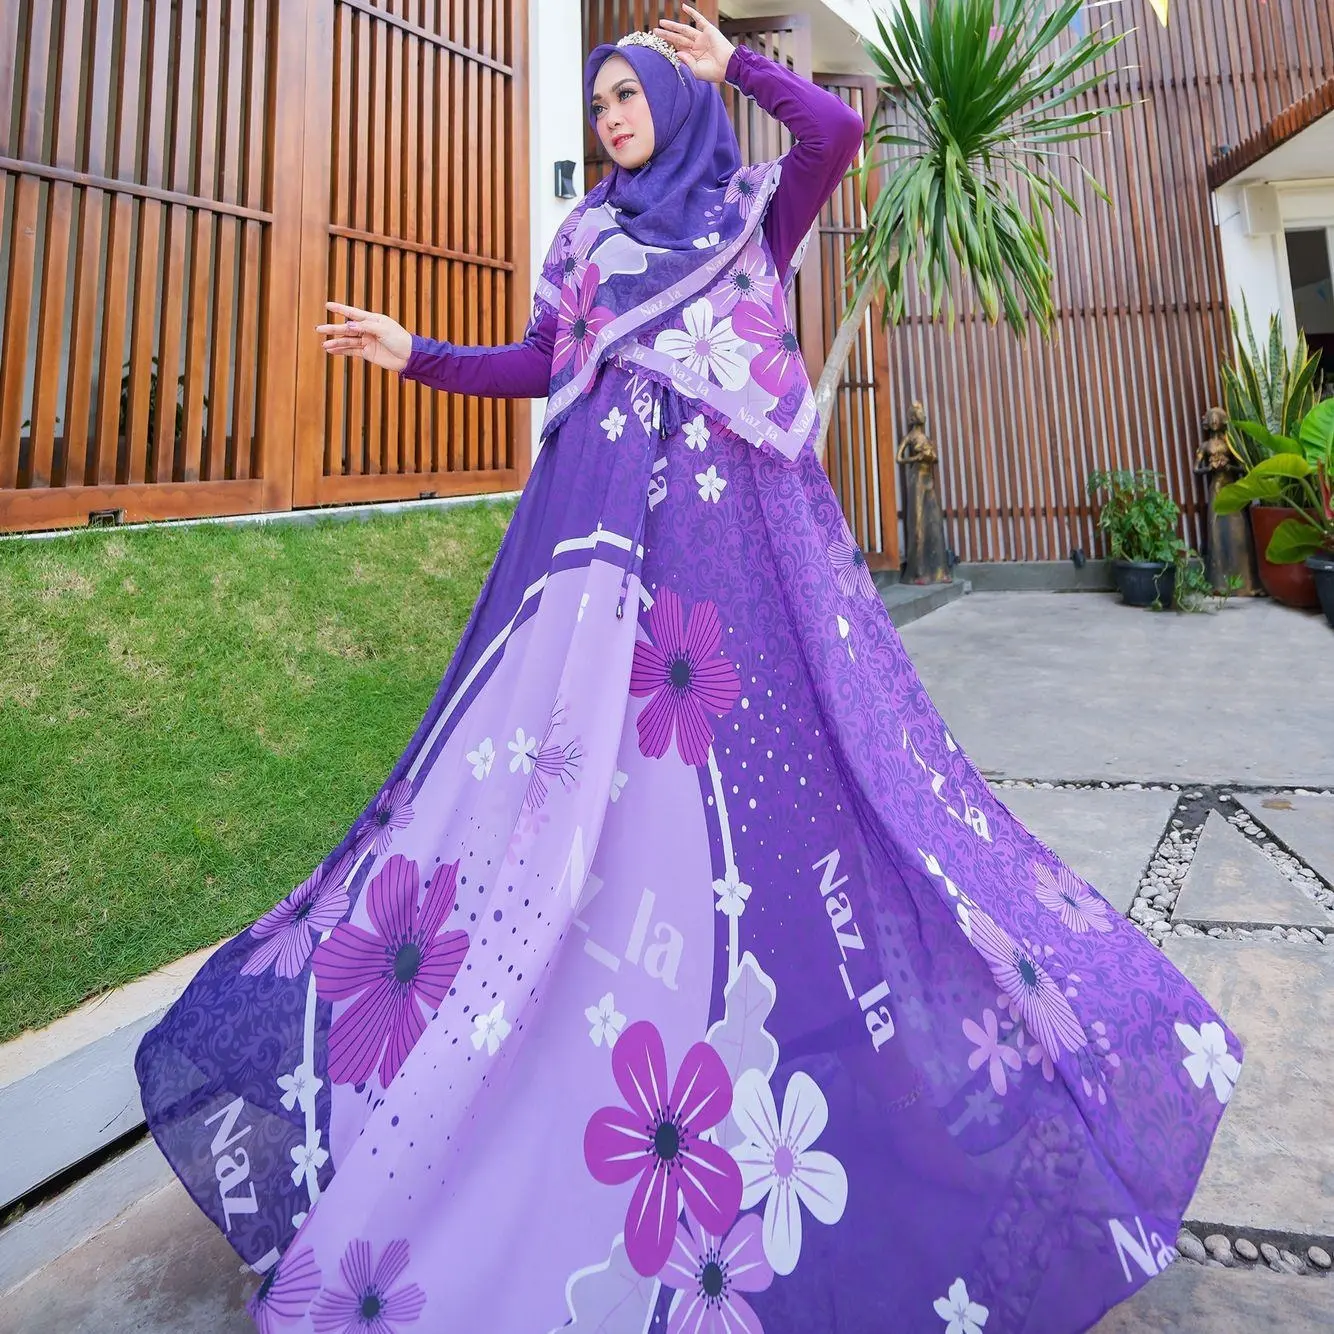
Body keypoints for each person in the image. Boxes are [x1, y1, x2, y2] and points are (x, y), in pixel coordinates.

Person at [136, 11, 1239, 1332]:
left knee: (781, 805)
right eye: (597, 100)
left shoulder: (745, 210)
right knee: (556, 802)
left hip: (731, 582)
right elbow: (541, 361)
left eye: (630, 94)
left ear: (674, 96)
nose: (611, 116)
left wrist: (740, 66)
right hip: (593, 561)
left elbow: (838, 132)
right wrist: (412, 352)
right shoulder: (585, 239)